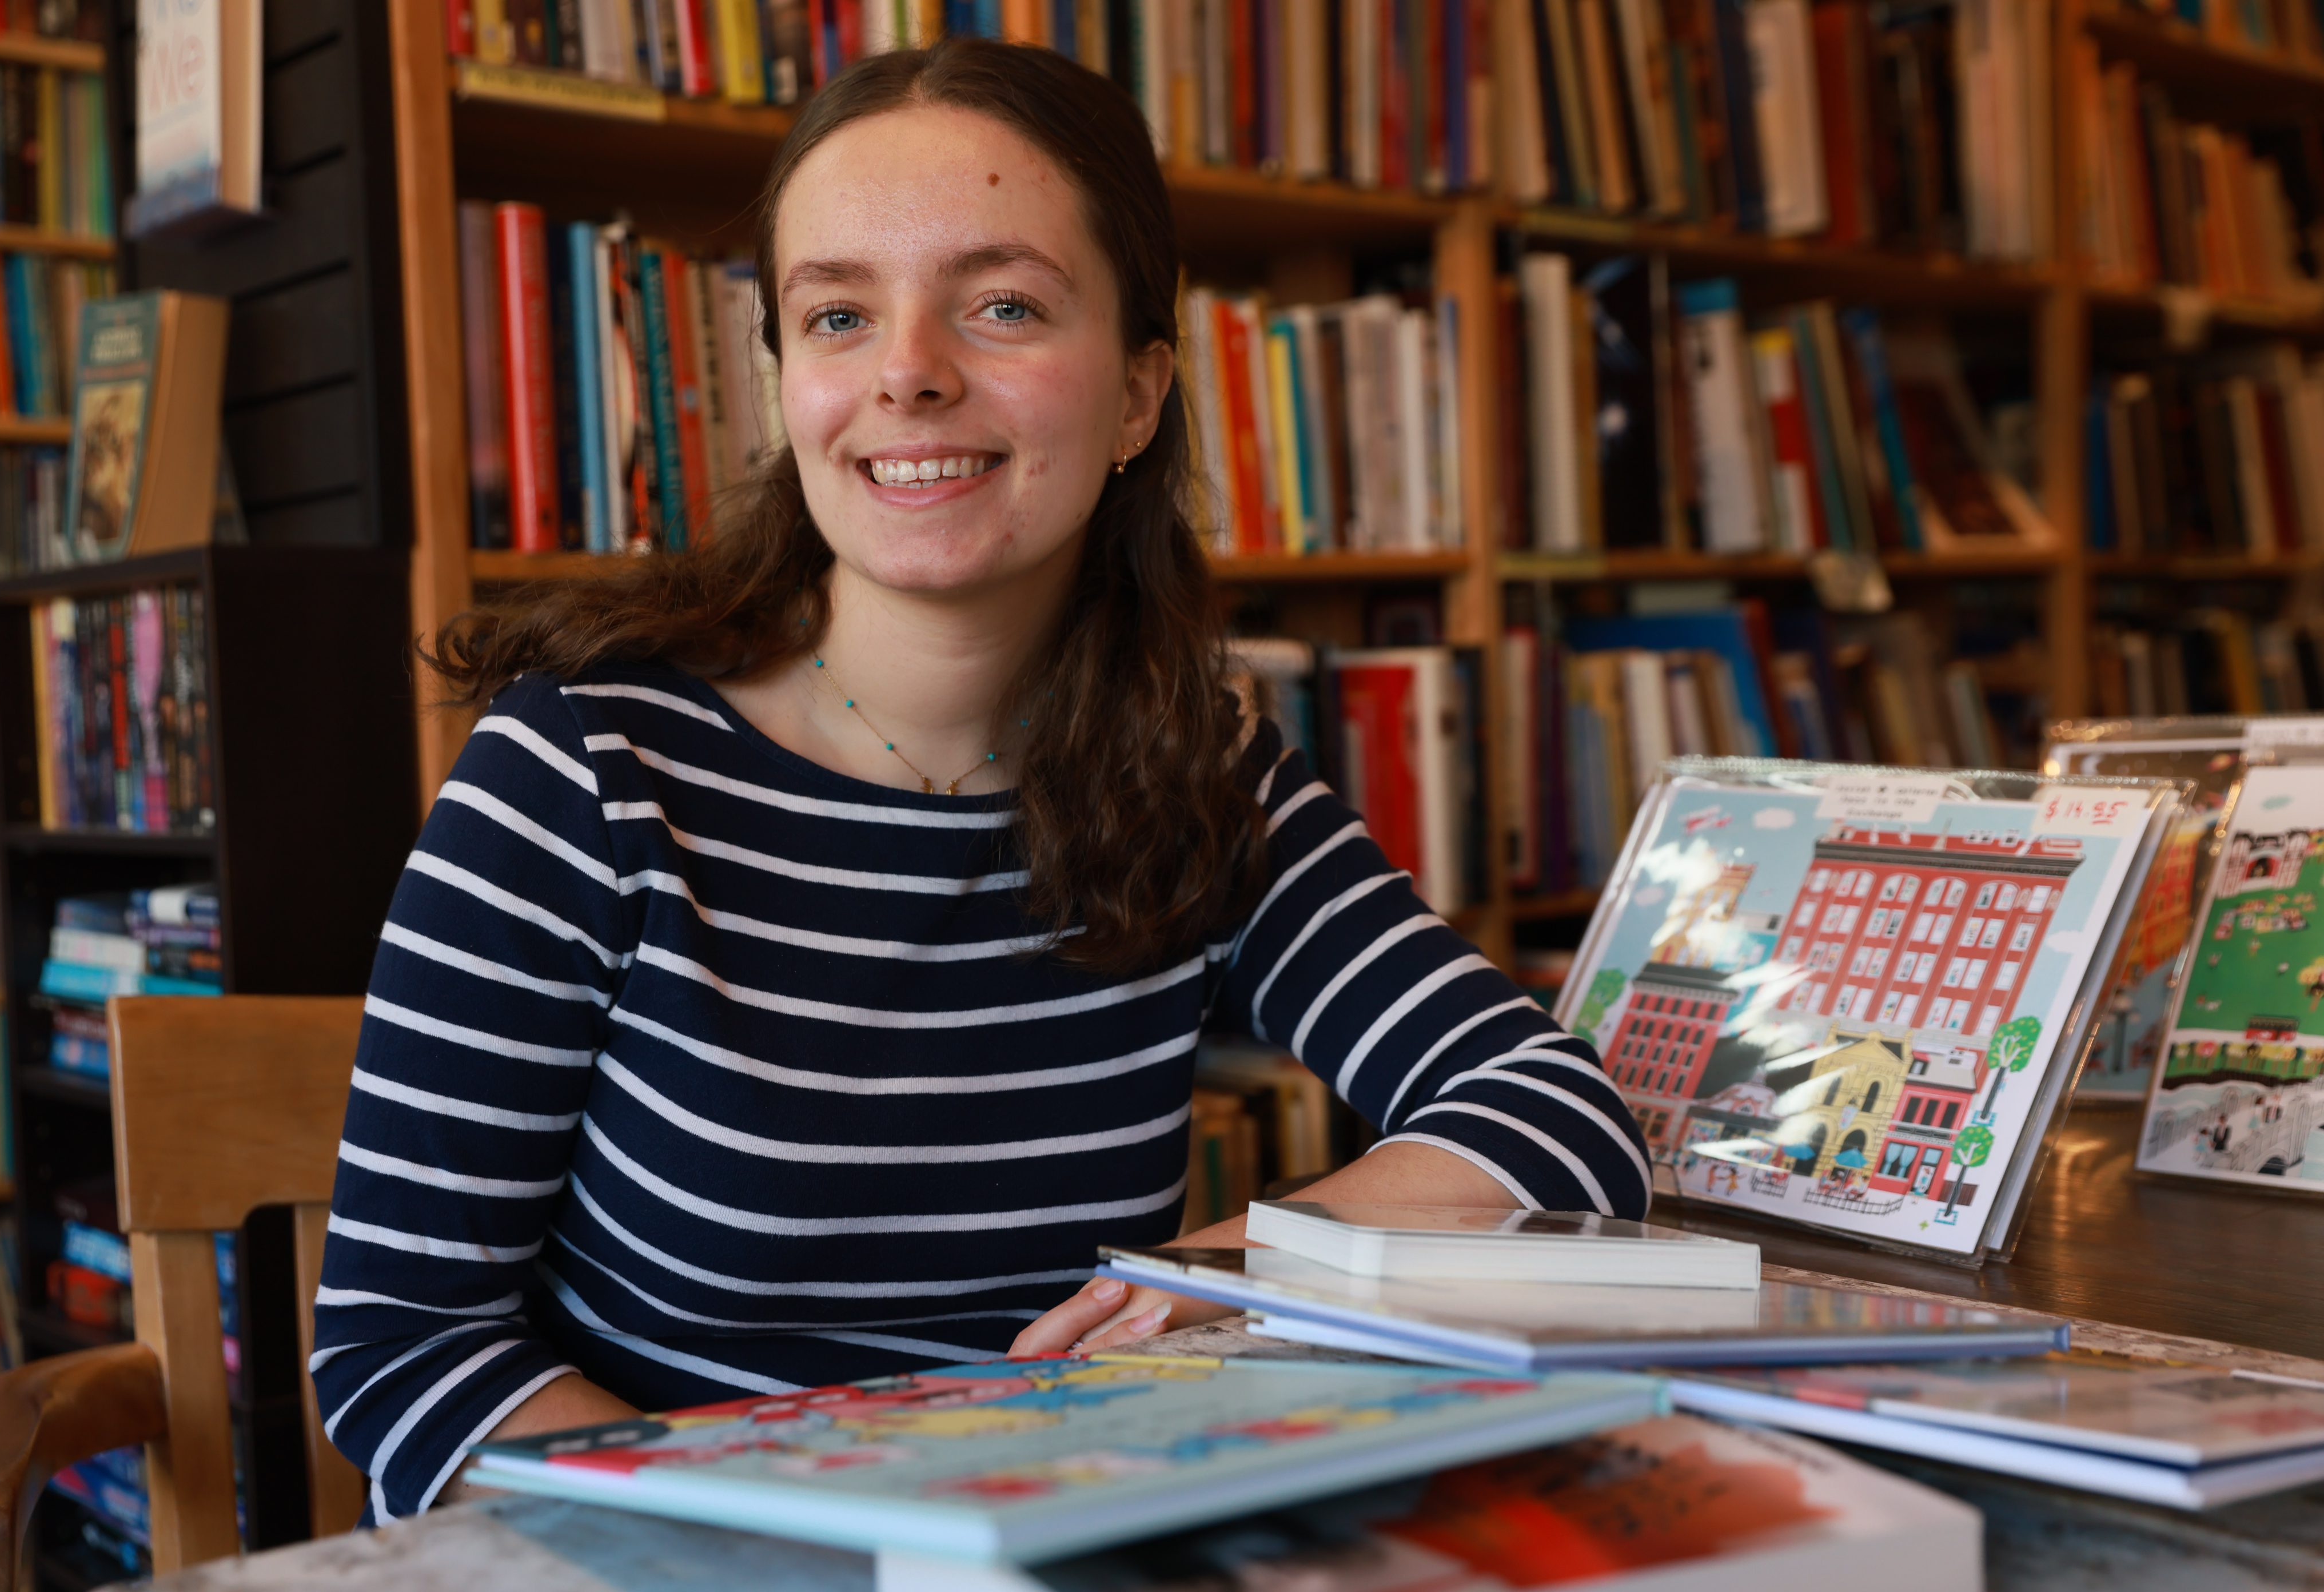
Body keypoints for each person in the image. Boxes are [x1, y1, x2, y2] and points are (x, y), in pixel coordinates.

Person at [312, 38, 1649, 1526]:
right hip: (639, 1560)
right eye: (837, 314)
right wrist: (765, 1551)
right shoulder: (586, 774)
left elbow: (1556, 1115)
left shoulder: (1196, 775)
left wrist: (1212, 1277)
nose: (910, 374)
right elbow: (400, 1350)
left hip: (1043, 1539)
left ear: (1141, 392)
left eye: (1002, 304)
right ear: (786, 387)